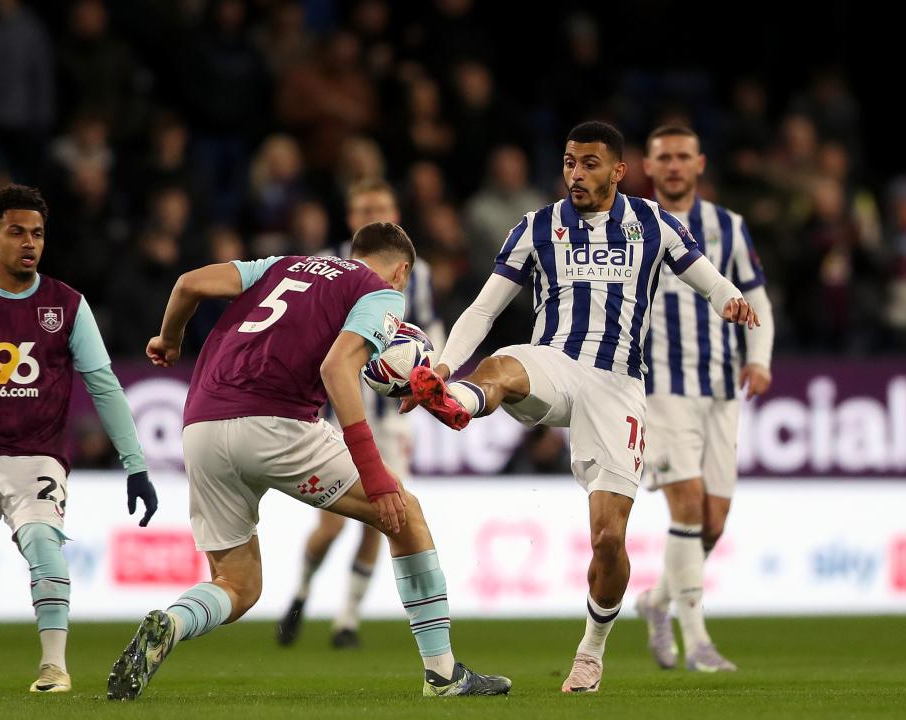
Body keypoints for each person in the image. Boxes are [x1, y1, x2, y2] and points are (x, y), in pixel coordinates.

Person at [404, 121, 760, 693]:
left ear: (619, 171)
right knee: (499, 366)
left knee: (608, 540)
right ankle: (458, 399)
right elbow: (483, 308)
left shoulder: (652, 223)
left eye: (590, 163)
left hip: (617, 386)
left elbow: (706, 277)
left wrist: (730, 300)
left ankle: (591, 650)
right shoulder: (537, 227)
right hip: (555, 363)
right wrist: (444, 366)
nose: (576, 173)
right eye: (570, 162)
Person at [106, 222, 509, 700]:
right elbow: (336, 368)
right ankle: (443, 676)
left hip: (201, 424)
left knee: (237, 584)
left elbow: (188, 283)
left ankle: (172, 623)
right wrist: (376, 475)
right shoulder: (380, 292)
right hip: (278, 423)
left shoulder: (281, 265)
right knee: (406, 516)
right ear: (401, 271)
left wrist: (169, 339)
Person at [0, 184, 157, 693]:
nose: (30, 242)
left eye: (37, 233)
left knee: (44, 542)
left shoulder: (67, 305)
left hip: (37, 458)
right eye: (16, 231)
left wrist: (137, 464)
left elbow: (104, 385)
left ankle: (54, 668)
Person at [277, 179, 444, 649]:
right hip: (332, 413)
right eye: (365, 207)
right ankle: (301, 593)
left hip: (390, 420)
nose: (375, 213)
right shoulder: (325, 267)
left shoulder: (418, 275)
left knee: (386, 513)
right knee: (330, 525)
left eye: (383, 206)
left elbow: (430, 336)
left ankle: (347, 618)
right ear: (351, 219)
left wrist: (426, 377)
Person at [633, 125, 775, 672]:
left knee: (711, 525)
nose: (672, 165)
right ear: (648, 165)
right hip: (659, 387)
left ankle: (656, 601)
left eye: (682, 157)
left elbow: (758, 298)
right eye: (663, 157)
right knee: (687, 506)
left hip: (720, 390)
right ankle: (698, 641)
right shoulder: (631, 225)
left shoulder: (728, 227)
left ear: (699, 164)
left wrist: (758, 359)